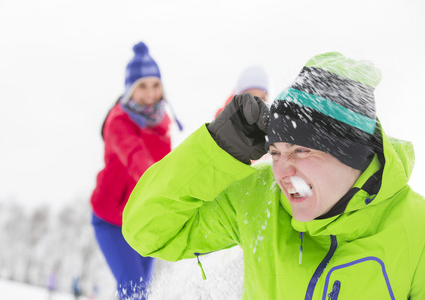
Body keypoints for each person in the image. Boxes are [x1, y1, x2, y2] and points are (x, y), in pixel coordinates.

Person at [122, 52, 425, 299]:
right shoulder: (259, 200)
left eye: (301, 151)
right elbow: (147, 233)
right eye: (276, 152)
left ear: (351, 154)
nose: (280, 171)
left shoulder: (415, 229)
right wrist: (215, 147)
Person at [90, 41, 175, 299]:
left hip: (142, 222)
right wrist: (162, 185)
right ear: (130, 89)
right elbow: (136, 157)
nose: (150, 93)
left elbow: (169, 168)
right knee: (134, 289)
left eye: (155, 85)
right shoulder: (118, 121)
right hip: (111, 221)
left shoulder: (162, 124)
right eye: (142, 86)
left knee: (140, 292)